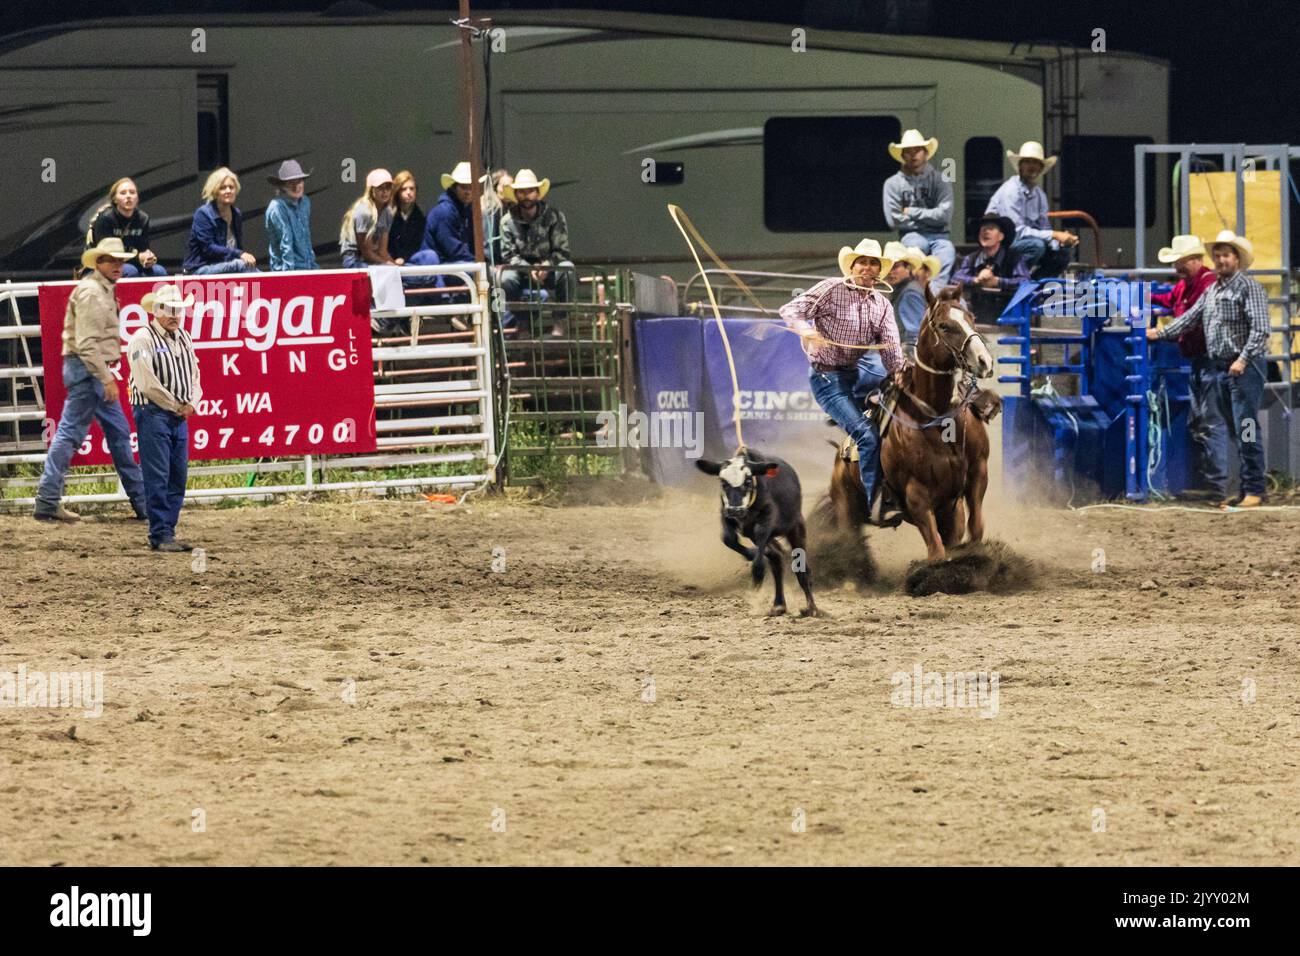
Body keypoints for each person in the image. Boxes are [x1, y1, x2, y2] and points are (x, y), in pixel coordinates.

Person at [779, 238, 904, 524]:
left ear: (879, 271)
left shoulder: (882, 305)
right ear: (852, 265)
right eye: (862, 261)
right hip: (828, 378)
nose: (867, 267)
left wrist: (898, 371)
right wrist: (805, 330)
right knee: (868, 436)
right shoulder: (831, 289)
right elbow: (790, 310)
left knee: (896, 412)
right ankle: (875, 504)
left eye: (873, 263)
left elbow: (891, 347)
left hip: (859, 372)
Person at [1147, 230, 1270, 510]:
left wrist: (1242, 359)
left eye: (1226, 255)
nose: (1220, 259)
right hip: (1222, 368)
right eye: (1217, 254)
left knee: (1246, 426)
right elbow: (1190, 319)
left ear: (1237, 259)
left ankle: (1254, 488)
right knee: (1236, 427)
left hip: (1243, 368)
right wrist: (1161, 333)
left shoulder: (1249, 288)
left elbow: (1261, 329)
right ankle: (1247, 488)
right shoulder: (1213, 290)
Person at [33, 238, 147, 523]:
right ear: (99, 263)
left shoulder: (99, 289)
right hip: (89, 371)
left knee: (115, 434)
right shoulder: (94, 293)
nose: (118, 265)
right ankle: (48, 500)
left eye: (120, 261)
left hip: (87, 370)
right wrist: (107, 378)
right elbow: (86, 343)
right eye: (112, 260)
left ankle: (144, 503)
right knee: (77, 434)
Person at [127, 284, 202, 552]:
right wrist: (177, 405)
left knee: (177, 475)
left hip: (176, 413)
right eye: (170, 310)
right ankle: (159, 532)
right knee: (158, 473)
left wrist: (192, 402)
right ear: (156, 311)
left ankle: (166, 530)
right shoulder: (141, 339)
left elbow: (195, 372)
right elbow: (146, 382)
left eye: (178, 310)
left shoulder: (183, 336)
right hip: (153, 412)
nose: (175, 315)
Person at [1151, 234, 1217, 495]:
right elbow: (1170, 301)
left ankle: (1225, 483)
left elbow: (1192, 317)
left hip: (1220, 362)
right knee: (1208, 420)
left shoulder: (1208, 284)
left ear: (1196, 260)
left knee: (1221, 421)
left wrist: (1161, 333)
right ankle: (1216, 481)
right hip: (1204, 361)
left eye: (1181, 261)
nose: (1176, 267)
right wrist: (1145, 295)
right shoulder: (1187, 284)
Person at [984, 141, 1078, 278]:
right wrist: (1055, 235)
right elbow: (1016, 231)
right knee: (1036, 246)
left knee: (1062, 254)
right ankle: (1008, 279)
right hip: (1001, 246)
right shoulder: (1011, 190)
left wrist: (1061, 242)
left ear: (1041, 169)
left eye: (1036, 163)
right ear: (1020, 166)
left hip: (1022, 244)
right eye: (1028, 162)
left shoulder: (1039, 195)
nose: (1032, 166)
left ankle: (1033, 285)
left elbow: (1044, 227)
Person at [500, 168, 574, 337]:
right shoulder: (507, 221)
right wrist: (529, 269)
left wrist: (546, 266)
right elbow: (508, 255)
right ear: (516, 195)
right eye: (522, 192)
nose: (526, 196)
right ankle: (523, 321)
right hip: (522, 273)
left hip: (549, 270)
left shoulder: (554, 216)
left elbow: (562, 251)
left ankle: (561, 319)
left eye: (530, 191)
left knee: (567, 269)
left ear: (538, 193)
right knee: (506, 278)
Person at [882, 129, 955, 284]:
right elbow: (894, 220)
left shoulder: (941, 180)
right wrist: (931, 218)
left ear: (926, 153)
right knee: (915, 249)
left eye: (917, 150)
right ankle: (914, 293)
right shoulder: (892, 183)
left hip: (940, 237)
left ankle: (933, 299)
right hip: (910, 235)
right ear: (902, 155)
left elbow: (944, 216)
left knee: (947, 252)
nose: (913, 155)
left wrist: (911, 212)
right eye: (908, 151)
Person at [952, 213, 1030, 323]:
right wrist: (975, 280)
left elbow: (1025, 282)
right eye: (983, 229)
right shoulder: (971, 258)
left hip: (1008, 319)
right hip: (978, 317)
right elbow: (956, 278)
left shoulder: (1014, 258)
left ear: (1001, 236)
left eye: (991, 228)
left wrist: (997, 281)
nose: (985, 231)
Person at [184, 167, 258, 274]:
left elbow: (237, 246)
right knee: (241, 264)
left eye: (231, 187)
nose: (228, 191)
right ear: (215, 191)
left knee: (247, 265)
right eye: (223, 188)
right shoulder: (203, 214)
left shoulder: (236, 214)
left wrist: (240, 255)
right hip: (200, 268)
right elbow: (208, 249)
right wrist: (239, 254)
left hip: (226, 264)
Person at [87, 178, 166, 278]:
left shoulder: (143, 218)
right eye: (123, 193)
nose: (128, 196)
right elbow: (106, 254)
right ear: (115, 199)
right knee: (130, 271)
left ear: (137, 198)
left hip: (133, 261)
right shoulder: (106, 218)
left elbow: (144, 248)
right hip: (107, 263)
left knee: (159, 271)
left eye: (132, 192)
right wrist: (138, 258)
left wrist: (148, 257)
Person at [264, 159, 316, 272]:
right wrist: (289, 276)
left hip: (307, 267)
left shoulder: (305, 202)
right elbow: (285, 242)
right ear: (282, 186)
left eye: (299, 181)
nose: (296, 186)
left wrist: (313, 266)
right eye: (290, 182)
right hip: (286, 270)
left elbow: (307, 237)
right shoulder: (277, 206)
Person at [340, 169, 398, 268]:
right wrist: (389, 266)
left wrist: (397, 267)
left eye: (388, 187)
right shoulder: (364, 212)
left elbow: (382, 251)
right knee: (388, 272)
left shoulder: (387, 213)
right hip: (354, 259)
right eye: (380, 188)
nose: (385, 192)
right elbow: (366, 253)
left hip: (373, 259)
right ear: (371, 190)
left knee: (396, 273)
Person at [423, 161, 474, 265]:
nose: (468, 191)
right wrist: (476, 261)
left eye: (471, 187)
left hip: (452, 263)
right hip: (439, 267)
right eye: (464, 187)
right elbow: (452, 249)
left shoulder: (466, 210)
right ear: (454, 188)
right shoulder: (445, 211)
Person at [883, 241, 926, 354]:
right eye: (888, 268)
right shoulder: (903, 289)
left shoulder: (909, 293)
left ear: (908, 268)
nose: (890, 272)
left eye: (895, 267)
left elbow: (914, 334)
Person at [387, 170, 425, 265]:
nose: (409, 192)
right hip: (389, 262)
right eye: (404, 189)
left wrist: (405, 259)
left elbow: (418, 244)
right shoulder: (388, 214)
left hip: (411, 261)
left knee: (430, 256)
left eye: (412, 189)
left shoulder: (419, 215)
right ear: (397, 191)